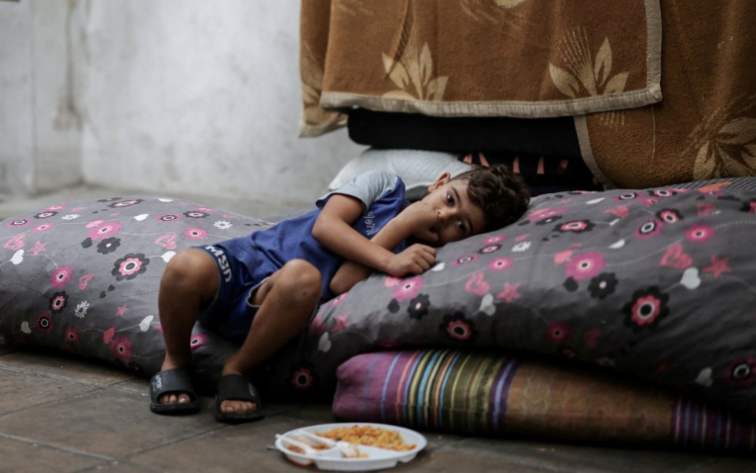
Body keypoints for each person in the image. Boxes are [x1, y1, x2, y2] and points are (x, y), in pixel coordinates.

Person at [148, 164, 530, 423]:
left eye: (460, 227)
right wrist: (394, 238)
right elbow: (325, 227)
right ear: (439, 182)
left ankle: (238, 369)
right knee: (186, 266)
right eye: (449, 201)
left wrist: (397, 240)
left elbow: (341, 283)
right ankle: (175, 361)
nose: (443, 218)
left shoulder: (413, 255)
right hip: (245, 262)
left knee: (302, 277)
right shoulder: (384, 184)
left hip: (276, 304)